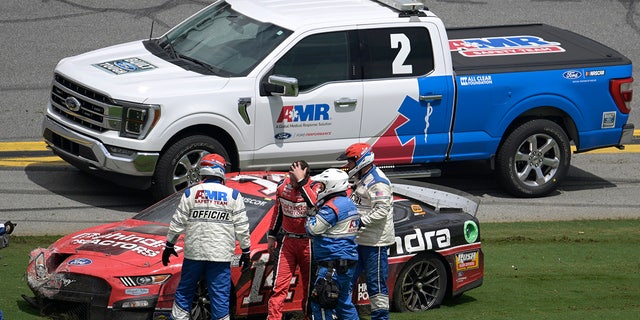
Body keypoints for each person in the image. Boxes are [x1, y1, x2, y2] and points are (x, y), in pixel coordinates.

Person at [161, 153, 251, 320]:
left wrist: (169, 245)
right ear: (220, 170)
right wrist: (246, 251)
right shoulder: (233, 195)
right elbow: (242, 228)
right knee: (220, 297)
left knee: (185, 292)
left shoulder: (190, 193)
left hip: (194, 253)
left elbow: (177, 222)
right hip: (220, 255)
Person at [337, 143, 394, 320]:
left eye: (350, 162)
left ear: (360, 160)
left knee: (376, 288)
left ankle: (381, 318)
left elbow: (382, 210)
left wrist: (360, 221)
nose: (348, 165)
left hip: (374, 243)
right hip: (358, 241)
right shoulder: (361, 177)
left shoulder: (378, 182)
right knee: (345, 282)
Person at [267, 161, 319, 320]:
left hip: (308, 243)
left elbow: (314, 204)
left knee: (310, 289)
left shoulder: (315, 187)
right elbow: (278, 212)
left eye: (295, 177)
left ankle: (308, 317)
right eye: (290, 175)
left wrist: (302, 182)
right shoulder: (283, 186)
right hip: (287, 242)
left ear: (305, 175)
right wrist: (271, 235)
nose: (292, 180)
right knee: (278, 287)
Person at [305, 168, 360, 320]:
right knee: (343, 304)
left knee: (322, 301)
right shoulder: (348, 202)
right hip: (346, 263)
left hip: (332, 264)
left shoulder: (333, 206)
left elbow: (312, 229)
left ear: (332, 186)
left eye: (322, 186)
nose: (319, 189)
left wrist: (311, 214)